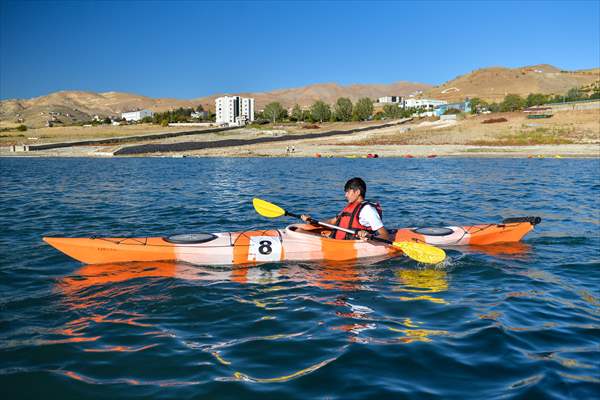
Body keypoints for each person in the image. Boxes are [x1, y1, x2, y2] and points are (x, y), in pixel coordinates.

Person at [301, 177, 390, 241]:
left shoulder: (368, 210)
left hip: (349, 243)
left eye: (348, 192)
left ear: (357, 192)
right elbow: (332, 222)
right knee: (299, 229)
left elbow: (385, 235)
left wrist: (369, 236)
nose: (345, 195)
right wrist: (313, 221)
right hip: (337, 239)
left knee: (300, 232)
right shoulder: (350, 207)